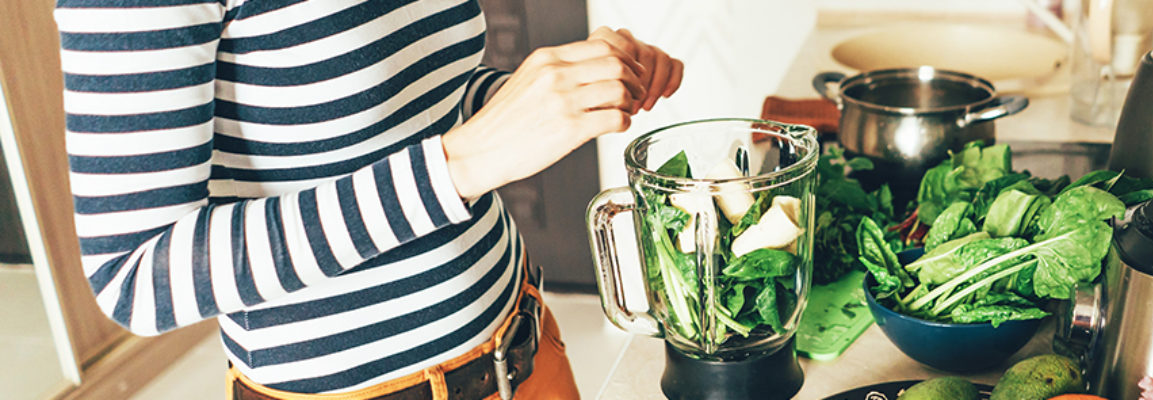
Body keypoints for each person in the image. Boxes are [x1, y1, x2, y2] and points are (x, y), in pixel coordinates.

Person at [53, 0, 682, 398]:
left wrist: (550, 94)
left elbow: (423, 109)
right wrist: (461, 164)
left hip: (524, 345)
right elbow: (135, 272)